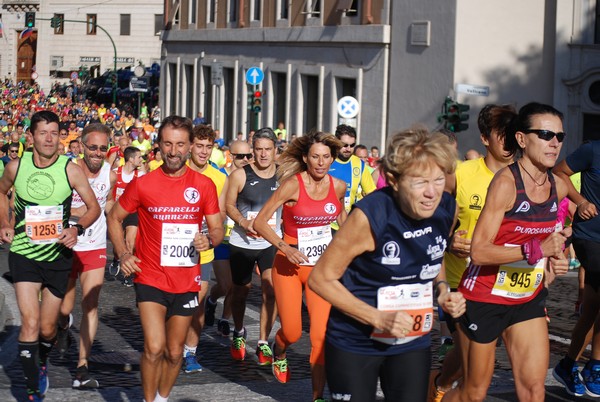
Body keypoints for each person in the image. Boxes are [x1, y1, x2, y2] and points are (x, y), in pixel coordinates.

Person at [308, 126, 466, 401]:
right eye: (419, 182)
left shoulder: (445, 208)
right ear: (393, 179)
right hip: (355, 341)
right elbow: (320, 279)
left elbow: (433, 252)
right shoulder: (371, 216)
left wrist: (442, 290)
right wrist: (378, 318)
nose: (432, 192)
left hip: (411, 339)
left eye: (438, 180)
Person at [444, 102, 570, 402]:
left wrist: (556, 254)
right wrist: (535, 249)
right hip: (483, 297)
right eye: (545, 134)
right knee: (473, 393)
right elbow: (480, 251)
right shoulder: (505, 183)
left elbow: (554, 232)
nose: (554, 143)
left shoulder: (558, 186)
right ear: (522, 139)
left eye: (560, 137)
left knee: (533, 389)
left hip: (526, 298)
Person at [107, 115, 223, 402]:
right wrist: (123, 253)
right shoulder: (144, 184)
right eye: (168, 144)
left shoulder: (204, 185)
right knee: (155, 347)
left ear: (190, 146)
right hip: (150, 276)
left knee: (174, 353)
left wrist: (207, 239)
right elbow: (114, 217)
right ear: (158, 145)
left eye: (180, 145)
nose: (174, 151)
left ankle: (162, 398)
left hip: (186, 278)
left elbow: (218, 229)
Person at [0, 111, 101, 401]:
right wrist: (5, 223)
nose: (48, 139)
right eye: (42, 133)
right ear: (30, 137)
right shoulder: (16, 167)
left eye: (54, 133)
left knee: (46, 328)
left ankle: (40, 361)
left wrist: (77, 229)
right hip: (24, 254)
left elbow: (93, 208)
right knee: (29, 323)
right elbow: (1, 192)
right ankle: (32, 389)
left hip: (57, 256)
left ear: (60, 137)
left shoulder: (70, 170)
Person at [431, 104, 517, 401]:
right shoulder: (461, 174)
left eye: (511, 133)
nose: (508, 141)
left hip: (508, 281)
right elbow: (433, 223)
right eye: (500, 134)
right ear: (484, 138)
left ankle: (439, 383)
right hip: (462, 282)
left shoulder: (526, 177)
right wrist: (451, 238)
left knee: (477, 359)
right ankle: (442, 386)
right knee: (473, 367)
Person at [253, 131, 347, 401]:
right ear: (305, 158)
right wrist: (285, 247)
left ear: (332, 158)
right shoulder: (292, 186)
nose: (320, 162)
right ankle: (279, 350)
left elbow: (345, 223)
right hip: (289, 266)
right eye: (315, 157)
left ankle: (318, 396)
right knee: (293, 331)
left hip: (321, 269)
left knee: (320, 337)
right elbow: (261, 221)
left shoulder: (338, 187)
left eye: (326, 157)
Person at [56, 123, 116, 389]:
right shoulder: (67, 170)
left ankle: (82, 366)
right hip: (66, 246)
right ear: (81, 145)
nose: (97, 153)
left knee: (91, 305)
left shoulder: (110, 175)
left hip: (94, 246)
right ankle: (61, 325)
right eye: (92, 147)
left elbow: (110, 204)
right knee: (63, 309)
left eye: (103, 148)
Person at [225, 128, 280, 365]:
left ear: (276, 151)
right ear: (253, 150)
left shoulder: (284, 175)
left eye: (268, 149)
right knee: (241, 291)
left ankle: (263, 342)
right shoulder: (239, 175)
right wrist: (243, 221)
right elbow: (228, 205)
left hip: (271, 241)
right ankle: (239, 332)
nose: (264, 154)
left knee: (270, 290)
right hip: (242, 242)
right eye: (259, 149)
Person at [553, 139, 600, 397]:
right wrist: (580, 202)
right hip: (590, 236)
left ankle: (567, 364)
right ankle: (595, 366)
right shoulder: (592, 150)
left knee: (593, 307)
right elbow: (559, 172)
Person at [182, 124, 228, 373]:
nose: (203, 152)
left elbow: (220, 215)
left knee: (197, 302)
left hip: (203, 249)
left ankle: (190, 352)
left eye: (208, 147)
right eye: (199, 146)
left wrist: (208, 229)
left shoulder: (220, 177)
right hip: (172, 248)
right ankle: (170, 344)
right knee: (174, 302)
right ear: (190, 146)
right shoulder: (176, 170)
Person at [329, 124, 376, 230]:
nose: (348, 149)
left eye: (352, 145)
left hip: (347, 224)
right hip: (325, 224)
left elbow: (371, 194)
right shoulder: (326, 160)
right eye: (344, 145)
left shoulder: (359, 164)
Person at [110, 146, 145, 283]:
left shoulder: (140, 176)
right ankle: (116, 258)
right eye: (139, 157)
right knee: (118, 243)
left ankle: (128, 274)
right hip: (116, 213)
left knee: (130, 242)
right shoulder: (115, 173)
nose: (141, 159)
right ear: (131, 159)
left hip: (132, 212)